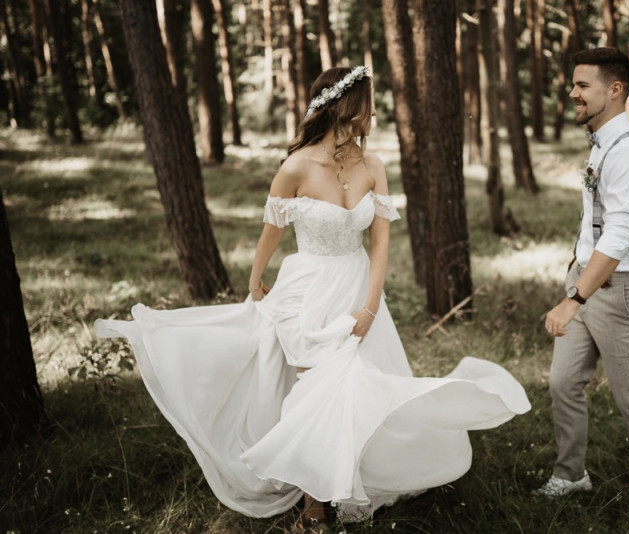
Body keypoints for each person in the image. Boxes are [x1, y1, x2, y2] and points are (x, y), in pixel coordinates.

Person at [95, 66, 530, 534]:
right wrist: (256, 281)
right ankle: (315, 506)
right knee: (317, 391)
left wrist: (369, 305)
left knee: (359, 388)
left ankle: (352, 477)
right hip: (309, 289)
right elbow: (273, 230)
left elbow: (381, 243)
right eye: (368, 103)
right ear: (344, 107)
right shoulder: (296, 167)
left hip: (359, 285)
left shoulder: (373, 166)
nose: (375, 112)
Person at [536, 48, 629, 517]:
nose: (572, 93)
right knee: (563, 383)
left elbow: (620, 233)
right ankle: (571, 474)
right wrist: (576, 271)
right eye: (573, 84)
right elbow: (596, 218)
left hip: (622, 291)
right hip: (587, 279)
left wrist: (574, 298)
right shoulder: (601, 142)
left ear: (615, 90)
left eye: (582, 85)